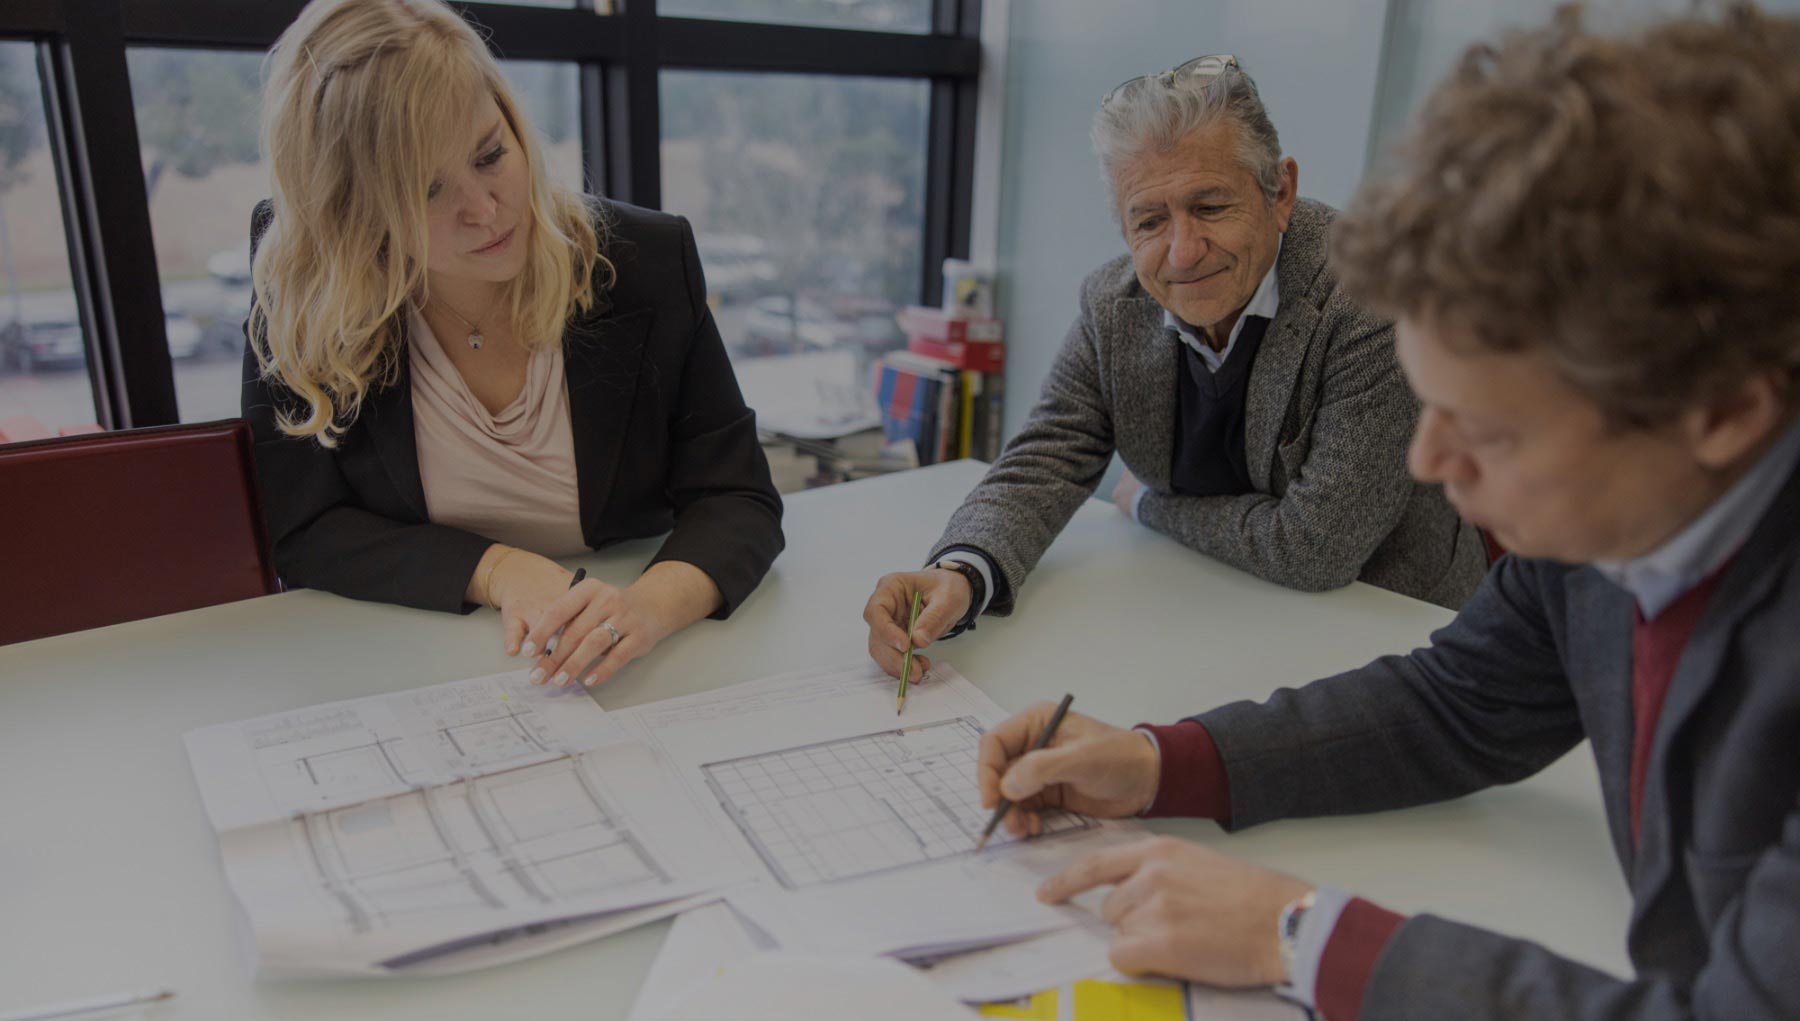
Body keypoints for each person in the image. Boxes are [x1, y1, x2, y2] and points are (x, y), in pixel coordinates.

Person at [978, 6, 1800, 1019]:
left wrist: (1302, 934)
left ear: (1722, 408)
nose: (1427, 460)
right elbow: (1459, 703)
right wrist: (1162, 762)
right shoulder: (1612, 520)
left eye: (1489, 428)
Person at [863, 58, 1486, 680]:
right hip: (1209, 612)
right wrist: (962, 572)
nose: (1182, 253)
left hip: (1393, 632)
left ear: (1281, 193)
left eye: (1211, 206)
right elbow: (1045, 458)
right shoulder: (1113, 303)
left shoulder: (1370, 298)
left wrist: (1146, 505)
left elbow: (1316, 550)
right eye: (1150, 221)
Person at [242, 0, 783, 689]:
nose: (485, 209)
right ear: (355, 212)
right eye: (428, 191)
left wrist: (643, 608)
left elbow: (739, 498)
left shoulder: (646, 258)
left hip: (633, 663)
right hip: (403, 665)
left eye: (491, 154)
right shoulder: (303, 284)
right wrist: (497, 568)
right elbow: (301, 528)